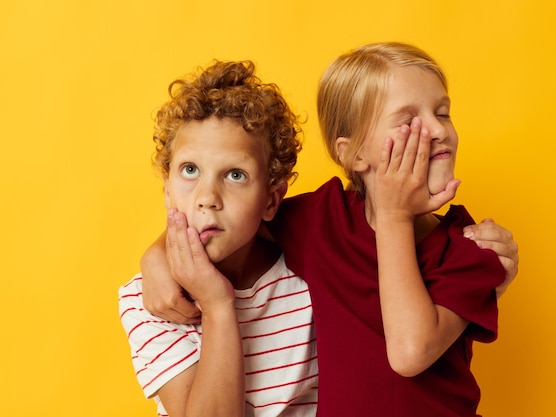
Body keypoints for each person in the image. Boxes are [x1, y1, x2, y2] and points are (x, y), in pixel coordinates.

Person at [141, 42, 520, 417]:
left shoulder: (471, 249)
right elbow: (237, 215)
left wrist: (393, 217)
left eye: (444, 113)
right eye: (409, 121)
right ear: (354, 154)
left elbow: (409, 352)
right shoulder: (325, 220)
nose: (437, 129)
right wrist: (156, 258)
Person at [118, 60, 318, 417]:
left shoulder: (311, 274)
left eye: (236, 175)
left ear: (271, 199)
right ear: (167, 189)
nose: (207, 196)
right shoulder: (151, 301)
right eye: (190, 170)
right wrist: (217, 304)